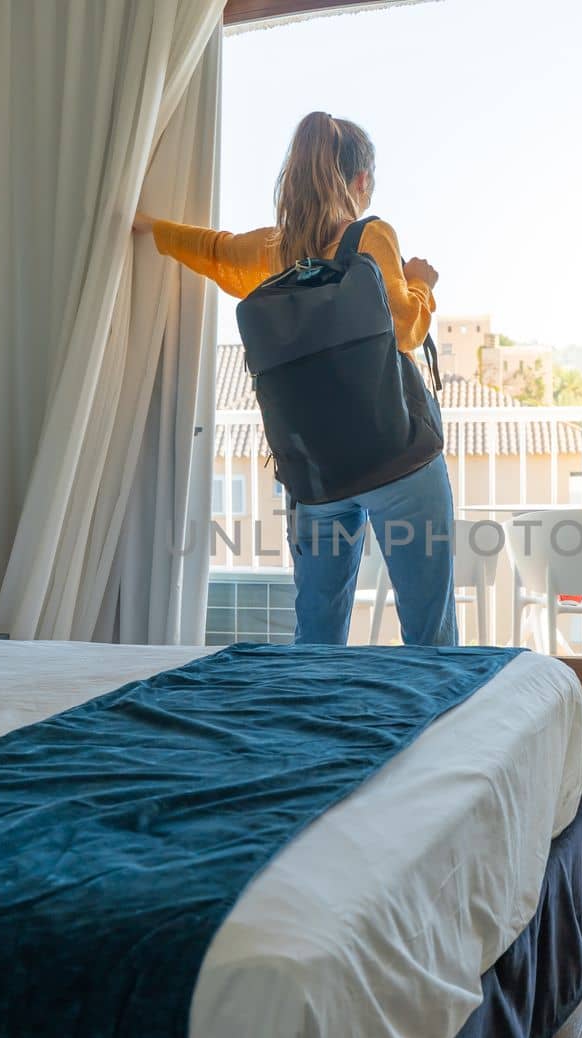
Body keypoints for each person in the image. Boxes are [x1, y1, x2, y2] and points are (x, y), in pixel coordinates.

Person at [134, 111, 457, 647]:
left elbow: (213, 248)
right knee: (429, 635)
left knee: (316, 636)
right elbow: (405, 328)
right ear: (359, 182)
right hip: (399, 459)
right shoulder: (371, 235)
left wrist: (152, 228)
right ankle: (440, 728)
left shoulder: (275, 252)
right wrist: (422, 282)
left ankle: (314, 725)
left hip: (318, 474)